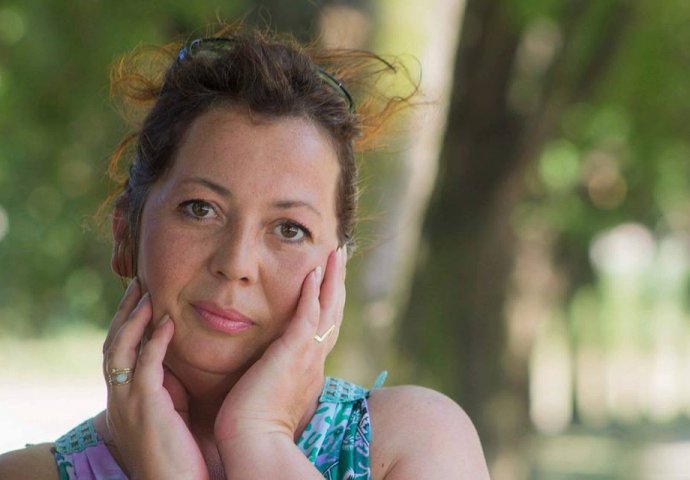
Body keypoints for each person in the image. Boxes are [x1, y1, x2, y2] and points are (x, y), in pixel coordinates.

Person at [0, 24, 489, 479]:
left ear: (336, 268)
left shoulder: (417, 442)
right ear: (126, 233)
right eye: (200, 209)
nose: (235, 264)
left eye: (290, 229)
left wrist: (259, 436)